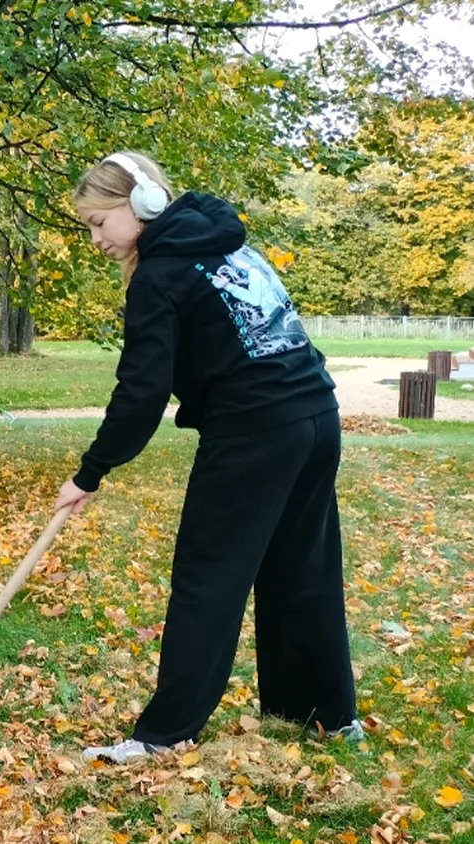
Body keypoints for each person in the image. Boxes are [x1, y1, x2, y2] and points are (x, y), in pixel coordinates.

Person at [53, 152, 361, 762]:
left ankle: (162, 735)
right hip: (316, 418)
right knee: (302, 570)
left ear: (139, 207)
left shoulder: (159, 275)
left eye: (97, 222)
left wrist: (91, 471)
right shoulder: (226, 244)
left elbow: (141, 392)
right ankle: (323, 714)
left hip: (255, 432)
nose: (95, 239)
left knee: (207, 579)